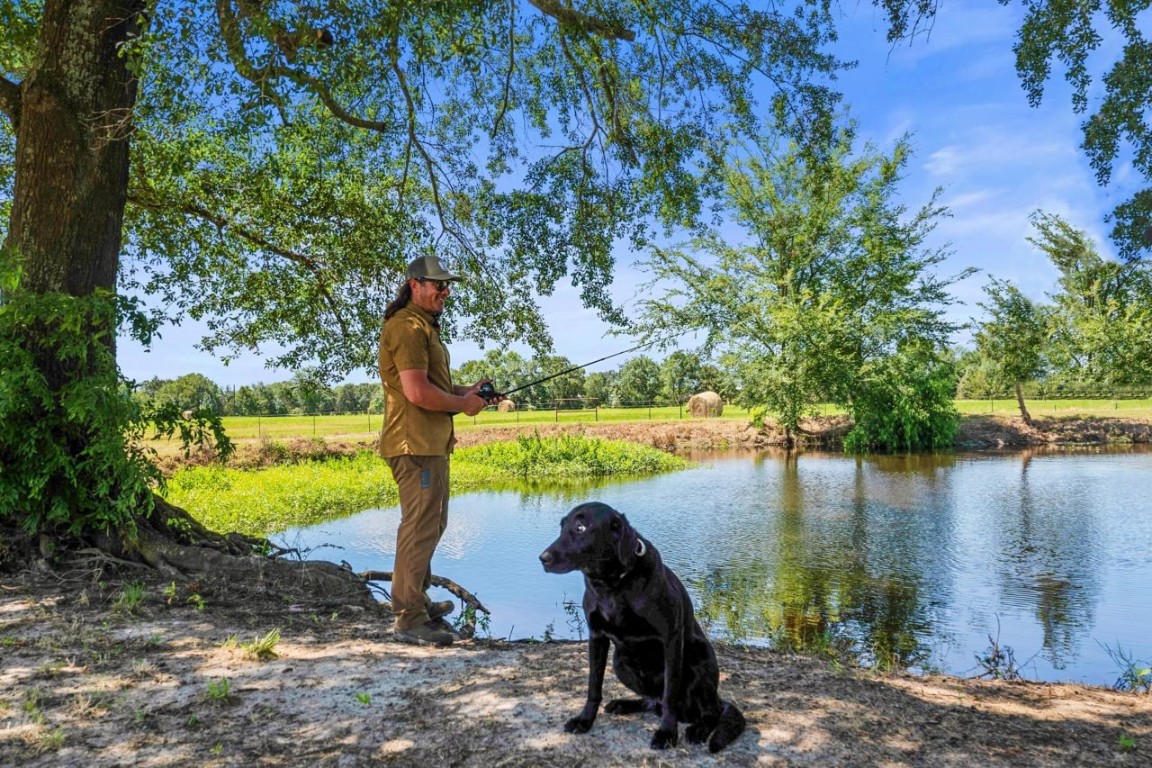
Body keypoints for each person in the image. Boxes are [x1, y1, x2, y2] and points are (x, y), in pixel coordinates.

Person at [377, 254, 494, 647]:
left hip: (430, 444)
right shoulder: (407, 327)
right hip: (415, 445)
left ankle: (417, 601)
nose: (445, 291)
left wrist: (470, 394)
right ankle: (408, 618)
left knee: (433, 524)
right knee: (419, 526)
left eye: (447, 286)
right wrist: (462, 405)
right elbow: (416, 392)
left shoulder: (424, 327)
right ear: (415, 285)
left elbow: (435, 387)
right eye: (438, 285)